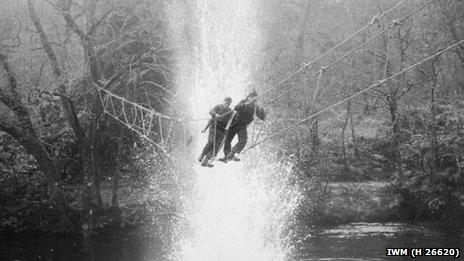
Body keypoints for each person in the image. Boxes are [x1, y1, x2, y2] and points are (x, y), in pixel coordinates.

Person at [220, 90, 266, 163]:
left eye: (254, 98)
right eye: (251, 97)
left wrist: (263, 111)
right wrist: (247, 103)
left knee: (243, 141)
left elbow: (262, 117)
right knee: (228, 140)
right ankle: (227, 156)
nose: (252, 99)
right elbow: (236, 108)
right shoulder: (243, 101)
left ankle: (232, 153)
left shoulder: (255, 107)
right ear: (248, 97)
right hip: (234, 123)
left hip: (243, 126)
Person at [197, 97, 233, 167]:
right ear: (223, 101)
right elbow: (211, 111)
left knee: (216, 147)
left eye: (228, 103)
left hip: (222, 131)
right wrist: (215, 115)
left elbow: (231, 121)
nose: (227, 104)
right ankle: (202, 155)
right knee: (211, 142)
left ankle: (205, 160)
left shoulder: (230, 111)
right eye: (226, 102)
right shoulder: (218, 107)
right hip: (214, 127)